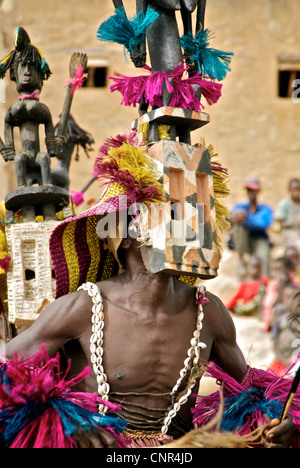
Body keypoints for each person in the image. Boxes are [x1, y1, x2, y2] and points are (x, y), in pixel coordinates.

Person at [2, 136, 299, 449]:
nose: (181, 229)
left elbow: (254, 390)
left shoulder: (208, 311)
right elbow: (7, 368)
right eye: (166, 217)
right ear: (127, 237)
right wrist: (67, 422)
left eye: (185, 217)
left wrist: (277, 418)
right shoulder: (84, 308)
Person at [230, 177, 273, 278]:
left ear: (258, 191)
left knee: (263, 254)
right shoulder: (240, 207)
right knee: (238, 225)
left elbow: (262, 225)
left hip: (259, 239)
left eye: (253, 191)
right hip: (244, 240)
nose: (251, 193)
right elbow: (232, 215)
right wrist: (237, 217)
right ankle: (241, 258)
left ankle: (264, 280)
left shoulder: (265, 209)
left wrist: (246, 219)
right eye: (249, 190)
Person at [262, 256, 298, 332]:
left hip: (294, 313)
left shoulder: (296, 284)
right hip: (276, 315)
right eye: (275, 270)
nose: (277, 273)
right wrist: (281, 286)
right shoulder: (274, 285)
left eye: (280, 269)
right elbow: (269, 305)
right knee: (279, 309)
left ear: (289, 270)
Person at [276, 178, 300, 251]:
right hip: (290, 233)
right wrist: (295, 223)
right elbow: (282, 224)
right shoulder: (284, 204)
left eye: (298, 189)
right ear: (289, 190)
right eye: (294, 189)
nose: (296, 192)